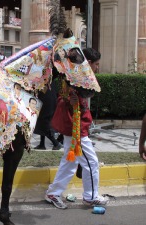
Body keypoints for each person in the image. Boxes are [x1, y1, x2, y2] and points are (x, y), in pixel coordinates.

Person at [45, 48, 109, 209]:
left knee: (70, 161)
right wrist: (71, 101)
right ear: (88, 63)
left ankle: (53, 193)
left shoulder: (77, 77)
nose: (97, 68)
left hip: (75, 125)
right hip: (75, 127)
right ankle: (90, 196)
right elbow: (64, 99)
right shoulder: (72, 78)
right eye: (96, 64)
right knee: (91, 162)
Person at [34, 81, 63, 150]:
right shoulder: (49, 80)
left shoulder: (45, 81)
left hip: (47, 102)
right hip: (48, 101)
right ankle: (42, 144)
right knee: (42, 121)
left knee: (44, 122)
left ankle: (55, 143)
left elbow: (43, 91)